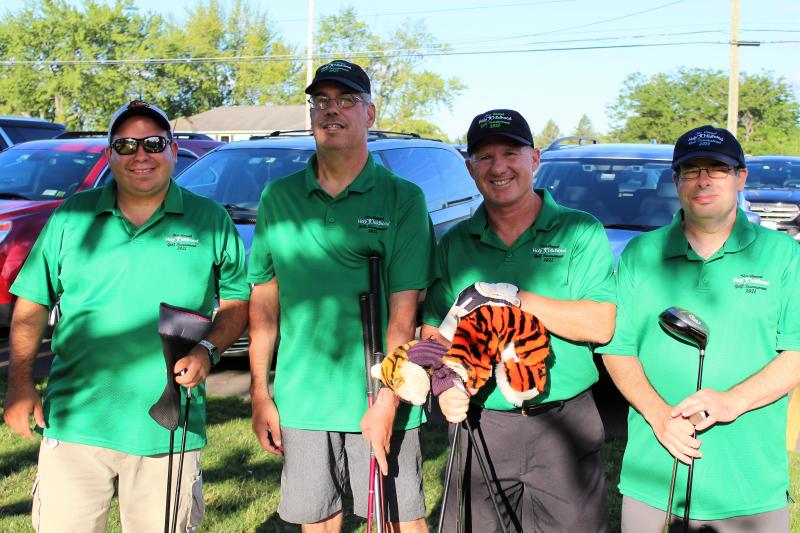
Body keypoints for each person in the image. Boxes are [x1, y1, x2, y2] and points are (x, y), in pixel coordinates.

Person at [2, 100, 250, 533]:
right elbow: (33, 302)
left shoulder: (209, 220)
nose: (140, 155)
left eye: (153, 143)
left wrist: (208, 351)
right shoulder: (73, 216)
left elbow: (236, 302)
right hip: (76, 421)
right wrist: (20, 383)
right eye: (126, 145)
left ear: (174, 150)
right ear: (110, 154)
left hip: (167, 426)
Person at [247, 59, 437, 531]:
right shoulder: (278, 198)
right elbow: (264, 301)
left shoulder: (403, 198)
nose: (332, 110)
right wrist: (260, 393)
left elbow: (403, 316)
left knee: (400, 522)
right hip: (302, 400)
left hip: (378, 393)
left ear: (369, 114)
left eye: (347, 100)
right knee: (318, 522)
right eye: (322, 101)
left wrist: (388, 401)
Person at [421, 109, 617, 532]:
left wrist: (513, 296)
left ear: (535, 159)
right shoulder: (455, 243)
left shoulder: (579, 231)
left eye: (511, 153)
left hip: (563, 424)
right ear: (470, 168)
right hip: (481, 422)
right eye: (485, 157)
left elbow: (600, 324)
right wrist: (444, 383)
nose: (499, 167)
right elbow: (434, 328)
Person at [598, 125, 800, 532]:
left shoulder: (783, 254)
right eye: (691, 170)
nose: (703, 180)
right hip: (655, 478)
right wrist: (659, 416)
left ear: (741, 178)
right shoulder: (641, 254)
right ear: (676, 180)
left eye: (718, 169)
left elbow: (796, 353)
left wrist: (731, 402)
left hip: (750, 483)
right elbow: (618, 350)